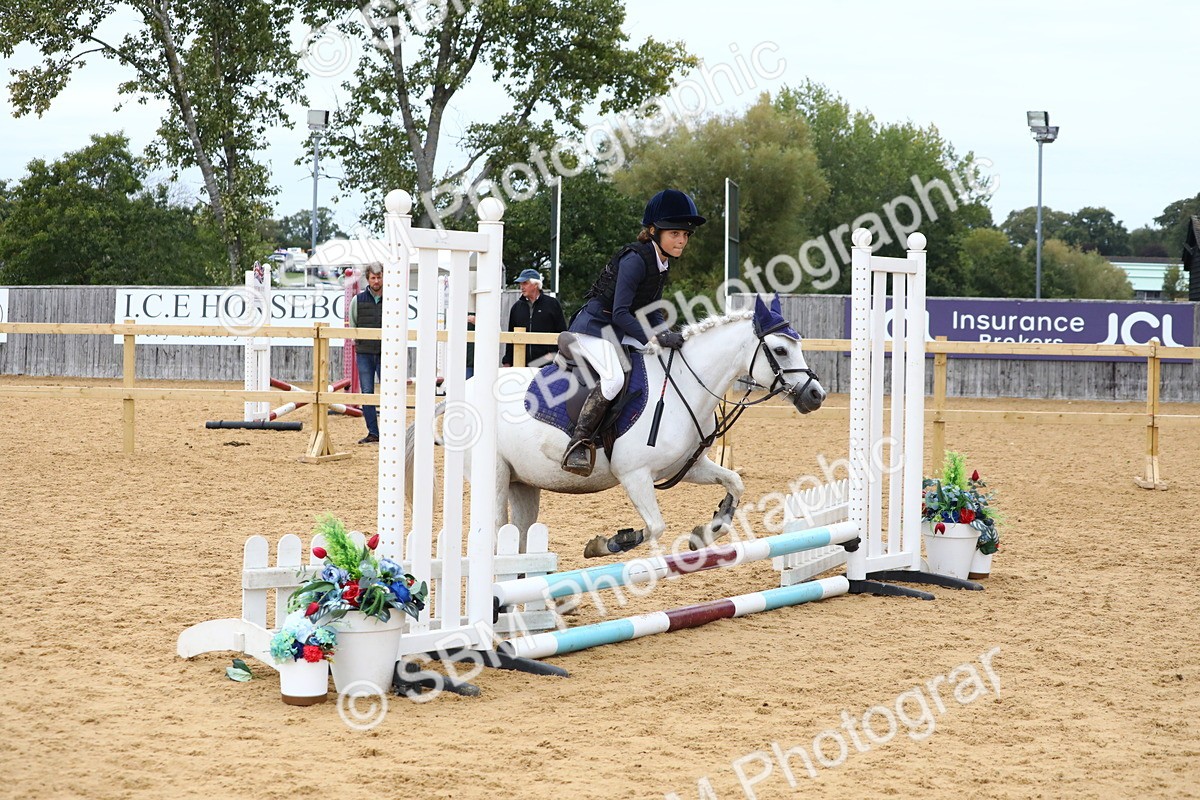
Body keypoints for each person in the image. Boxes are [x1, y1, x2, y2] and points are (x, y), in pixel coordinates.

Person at [560, 189, 706, 476]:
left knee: (659, 360)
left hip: (617, 328)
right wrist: (653, 337)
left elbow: (649, 310)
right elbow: (621, 312)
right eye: (675, 233)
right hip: (593, 328)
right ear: (654, 231)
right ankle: (579, 442)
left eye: (686, 235)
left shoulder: (660, 263)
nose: (682, 240)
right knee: (613, 378)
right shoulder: (635, 260)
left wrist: (667, 334)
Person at [502, 268, 567, 368]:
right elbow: (511, 337)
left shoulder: (552, 304)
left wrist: (556, 357)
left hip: (548, 365)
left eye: (525, 283)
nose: (521, 287)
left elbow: (562, 333)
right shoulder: (516, 308)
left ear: (536, 284)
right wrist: (507, 362)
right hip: (522, 366)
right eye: (520, 284)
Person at [350, 262, 384, 444]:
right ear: (368, 279)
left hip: (386, 352)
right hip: (364, 352)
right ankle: (373, 432)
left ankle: (388, 432)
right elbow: (352, 324)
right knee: (367, 392)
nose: (377, 281)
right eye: (373, 278)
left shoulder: (393, 299)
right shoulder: (358, 300)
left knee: (389, 391)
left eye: (379, 277)